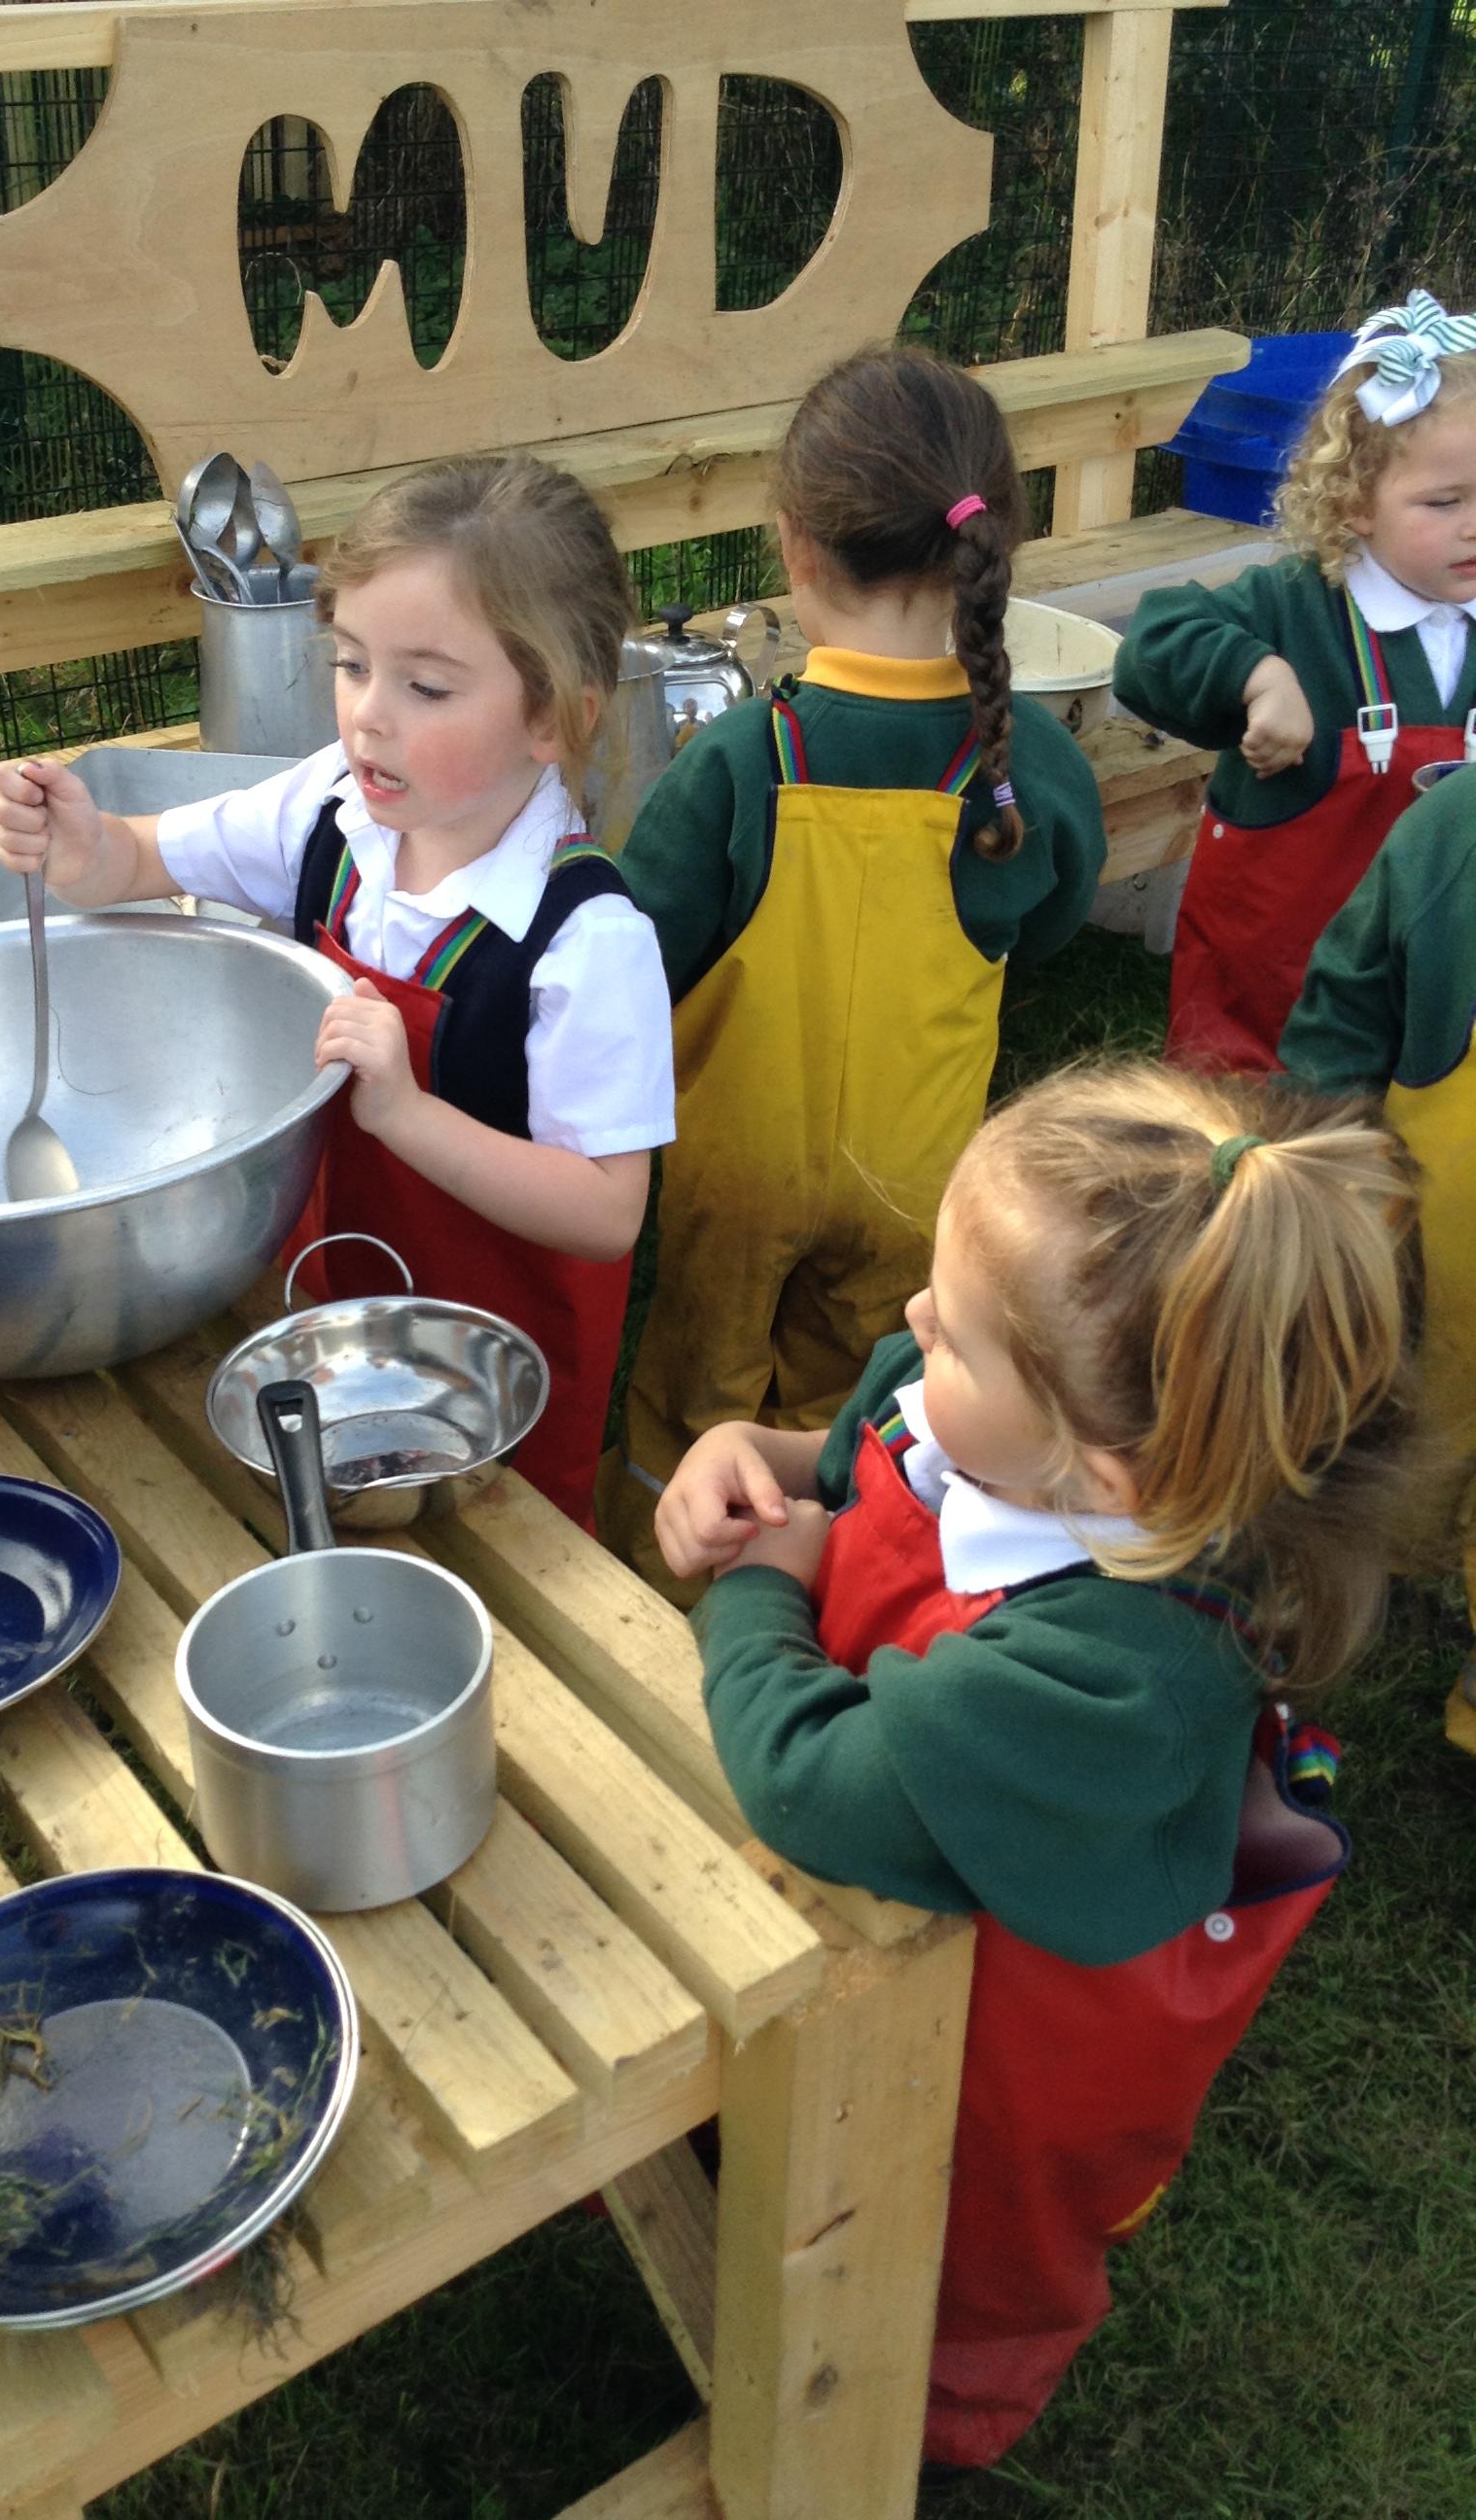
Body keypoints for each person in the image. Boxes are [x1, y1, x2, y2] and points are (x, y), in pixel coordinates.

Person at [654, 1058, 1433, 2471]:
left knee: (967, 2219)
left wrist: (757, 1591)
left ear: (1102, 1477)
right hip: (899, 1910)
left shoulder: (1113, 1677)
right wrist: (747, 1449)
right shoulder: (1001, 1428)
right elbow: (859, 1456)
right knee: (812, 2110)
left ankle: (935, 2411)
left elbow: (811, 1778)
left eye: (952, 1334)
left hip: (1021, 2028)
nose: (909, 1326)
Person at [0, 453, 675, 1526]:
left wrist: (407, 1114)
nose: (367, 718)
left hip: (494, 1415)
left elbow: (605, 1211)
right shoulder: (329, 811)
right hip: (327, 1328)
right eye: (351, 664)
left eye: (426, 687)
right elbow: (135, 858)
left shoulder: (585, 941)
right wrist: (78, 845)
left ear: (552, 717)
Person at [596, 343, 1106, 1595]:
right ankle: (841, 1578)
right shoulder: (1030, 766)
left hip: (732, 1171)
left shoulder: (738, 759)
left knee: (695, 1386)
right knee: (865, 1400)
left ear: (795, 544)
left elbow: (635, 956)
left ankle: (663, 1575)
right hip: (916, 1175)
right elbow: (1050, 922)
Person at [1113, 288, 1476, 1073]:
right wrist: (1258, 675)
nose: (1473, 525)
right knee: (1261, 1136)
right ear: (1355, 502)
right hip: (1271, 999)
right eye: (1444, 502)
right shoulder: (1295, 605)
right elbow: (1152, 646)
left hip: (1434, 990)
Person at [1281, 764, 1476, 1754]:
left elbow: (1339, 1020)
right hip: (1442, 1250)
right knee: (1415, 1430)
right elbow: (1343, 1021)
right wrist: (1322, 1157)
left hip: (1444, 1246)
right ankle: (1398, 1565)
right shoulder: (1454, 832)